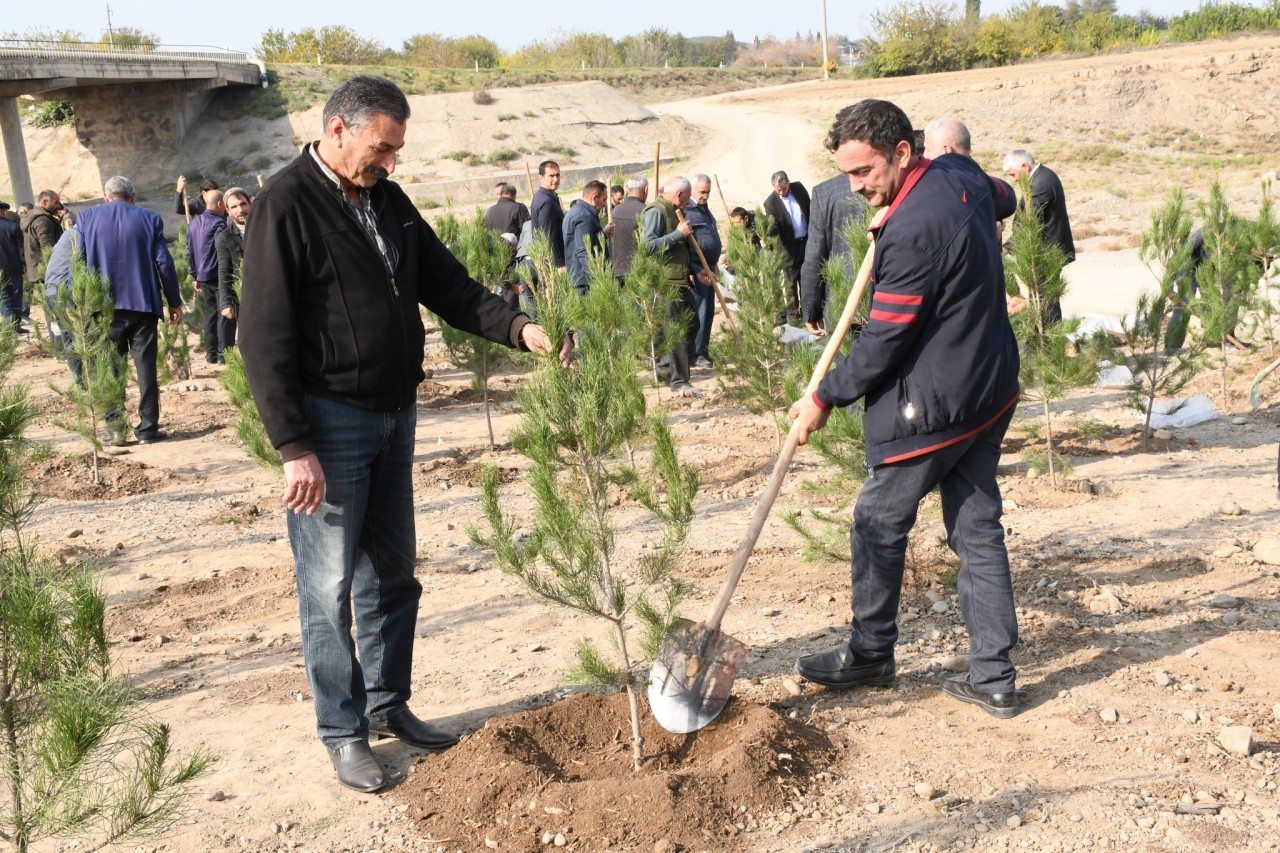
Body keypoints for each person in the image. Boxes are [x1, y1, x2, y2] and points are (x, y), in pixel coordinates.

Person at [238, 75, 557, 794]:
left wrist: (519, 326)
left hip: (393, 414)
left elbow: (446, 284)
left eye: (397, 151)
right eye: (382, 148)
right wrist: (294, 446)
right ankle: (344, 733)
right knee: (327, 588)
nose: (390, 162)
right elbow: (262, 337)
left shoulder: (387, 201)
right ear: (338, 129)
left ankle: (389, 703)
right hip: (328, 422)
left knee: (393, 575)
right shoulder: (285, 204)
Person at [788, 99, 1022, 720]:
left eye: (865, 173)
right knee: (976, 527)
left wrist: (822, 397)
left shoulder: (913, 231)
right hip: (990, 385)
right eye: (846, 175)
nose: (855, 187)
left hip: (937, 405)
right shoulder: (961, 173)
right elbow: (1007, 199)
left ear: (900, 153)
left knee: (877, 521)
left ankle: (870, 652)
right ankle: (995, 678)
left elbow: (883, 343)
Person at [74, 176, 184, 445]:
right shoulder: (150, 218)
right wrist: (174, 301)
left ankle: (115, 430)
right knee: (146, 369)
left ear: (106, 196)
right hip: (143, 305)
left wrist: (76, 303)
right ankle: (147, 429)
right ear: (133, 196)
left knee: (110, 370)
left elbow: (78, 262)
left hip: (103, 308)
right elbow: (165, 263)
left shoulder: (86, 218)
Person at [642, 176, 711, 396]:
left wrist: (695, 269)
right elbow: (648, 247)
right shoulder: (656, 211)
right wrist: (677, 234)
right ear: (680, 194)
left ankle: (668, 366)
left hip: (680, 279)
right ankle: (679, 380)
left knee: (692, 322)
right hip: (665, 282)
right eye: (688, 195)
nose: (690, 200)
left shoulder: (674, 210)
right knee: (678, 330)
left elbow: (678, 251)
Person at [1003, 148, 1075, 324]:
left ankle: (1049, 343)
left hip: (1047, 251)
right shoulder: (1043, 176)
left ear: (1025, 166)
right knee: (1040, 297)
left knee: (1045, 301)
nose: (1013, 180)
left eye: (1013, 175)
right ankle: (1043, 340)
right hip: (1044, 250)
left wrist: (1007, 247)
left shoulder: (1041, 183)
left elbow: (1030, 220)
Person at [799, 174, 868, 336]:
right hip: (884, 300)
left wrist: (811, 311)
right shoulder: (890, 180)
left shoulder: (825, 192)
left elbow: (814, 258)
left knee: (847, 358)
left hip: (842, 302)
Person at [186, 190, 229, 365]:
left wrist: (194, 274)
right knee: (225, 314)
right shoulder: (220, 223)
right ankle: (223, 354)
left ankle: (211, 354)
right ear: (219, 204)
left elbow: (189, 252)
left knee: (210, 315)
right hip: (219, 275)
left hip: (203, 277)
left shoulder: (194, 224)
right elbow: (222, 250)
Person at [762, 170, 810, 322]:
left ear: (788, 183)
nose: (781, 192)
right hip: (787, 248)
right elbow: (773, 225)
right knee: (790, 281)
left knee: (807, 277)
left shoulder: (799, 189)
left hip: (806, 242)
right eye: (778, 190)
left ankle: (808, 310)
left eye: (783, 189)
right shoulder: (770, 203)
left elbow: (809, 209)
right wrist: (767, 233)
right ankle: (793, 314)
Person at [685, 174, 721, 369]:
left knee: (707, 311)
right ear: (692, 190)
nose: (705, 195)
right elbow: (687, 245)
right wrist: (695, 267)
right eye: (702, 192)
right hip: (698, 272)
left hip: (709, 268)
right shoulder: (686, 211)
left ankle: (702, 351)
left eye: (708, 192)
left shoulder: (704, 210)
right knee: (700, 312)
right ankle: (696, 354)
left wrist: (714, 262)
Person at [562, 180, 611, 295]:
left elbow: (587, 241)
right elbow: (584, 250)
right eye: (604, 200)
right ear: (595, 198)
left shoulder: (576, 212)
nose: (605, 204)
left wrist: (602, 234)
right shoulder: (583, 216)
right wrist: (597, 278)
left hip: (580, 278)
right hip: (585, 281)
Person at [215, 187, 251, 336]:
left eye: (243, 204)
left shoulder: (266, 228)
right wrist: (225, 303)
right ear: (228, 212)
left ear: (251, 204)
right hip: (244, 299)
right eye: (234, 207)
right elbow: (224, 271)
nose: (240, 210)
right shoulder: (225, 237)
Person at [22, 190, 62, 293]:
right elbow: (48, 248)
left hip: (39, 271)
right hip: (47, 273)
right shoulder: (43, 220)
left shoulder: (35, 217)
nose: (59, 206)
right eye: (56, 202)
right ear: (45, 202)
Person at [610, 175, 648, 283]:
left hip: (617, 268)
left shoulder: (615, 210)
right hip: (639, 271)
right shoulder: (646, 212)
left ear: (627, 189)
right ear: (646, 190)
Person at [530, 160, 565, 270]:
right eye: (551, 176)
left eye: (557, 175)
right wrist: (559, 265)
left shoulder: (544, 197)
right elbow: (548, 236)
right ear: (541, 177)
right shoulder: (546, 202)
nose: (555, 179)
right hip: (552, 264)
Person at [0, 202, 23, 329]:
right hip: (13, 268)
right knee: (16, 297)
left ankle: (10, 328)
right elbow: (21, 249)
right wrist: (23, 264)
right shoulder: (13, 227)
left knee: (3, 298)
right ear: (4, 212)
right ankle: (16, 326)